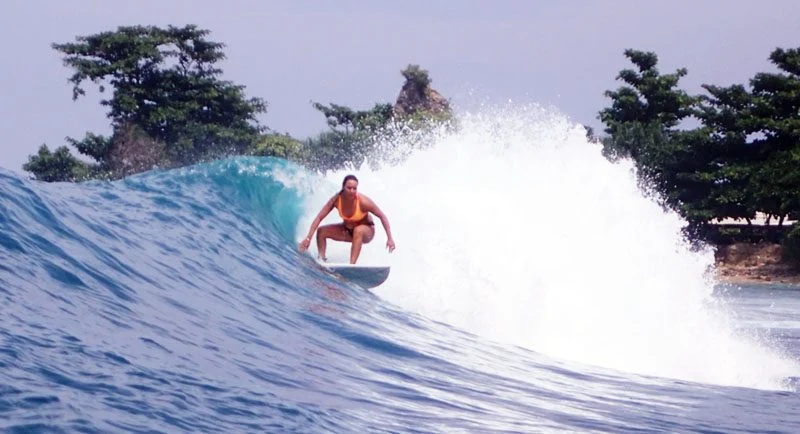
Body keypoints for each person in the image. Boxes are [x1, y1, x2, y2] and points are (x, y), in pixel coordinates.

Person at [298, 174, 396, 264]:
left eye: (354, 188)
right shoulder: (336, 200)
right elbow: (319, 217)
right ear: (343, 187)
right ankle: (322, 260)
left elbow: (382, 216)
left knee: (358, 230)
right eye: (349, 188)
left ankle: (352, 265)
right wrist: (308, 238)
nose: (352, 191)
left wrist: (390, 238)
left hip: (367, 232)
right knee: (322, 231)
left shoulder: (363, 202)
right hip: (347, 231)